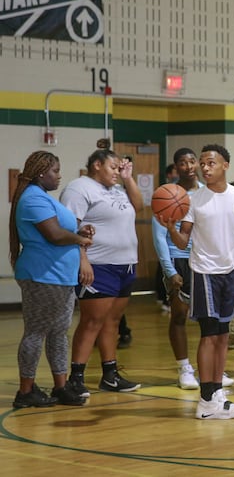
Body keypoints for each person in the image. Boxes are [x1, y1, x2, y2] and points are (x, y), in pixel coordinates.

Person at [161, 144, 234, 420]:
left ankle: (217, 392)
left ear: (225, 166)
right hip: (204, 272)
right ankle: (205, 401)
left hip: (229, 271)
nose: (204, 168)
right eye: (202, 163)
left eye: (210, 163)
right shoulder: (193, 200)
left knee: (221, 336)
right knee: (208, 335)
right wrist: (170, 227)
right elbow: (183, 241)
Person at [9, 151, 92, 408]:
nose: (59, 176)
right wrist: (80, 239)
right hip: (42, 275)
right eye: (56, 171)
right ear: (42, 172)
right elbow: (54, 235)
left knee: (58, 332)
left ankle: (60, 387)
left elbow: (61, 231)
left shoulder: (42, 197)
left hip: (59, 275)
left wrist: (78, 232)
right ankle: (25, 391)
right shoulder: (33, 198)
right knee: (36, 332)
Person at [60, 149, 142, 397]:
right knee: (92, 321)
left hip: (125, 264)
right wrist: (82, 260)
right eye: (114, 167)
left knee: (113, 322)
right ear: (97, 165)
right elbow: (69, 227)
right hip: (98, 265)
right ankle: (76, 378)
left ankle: (110, 375)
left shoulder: (117, 189)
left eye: (120, 168)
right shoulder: (79, 188)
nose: (118, 172)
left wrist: (128, 178)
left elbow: (138, 206)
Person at [152, 148, 203, 390]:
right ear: (176, 167)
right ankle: (184, 368)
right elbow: (159, 236)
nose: (189, 166)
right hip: (178, 258)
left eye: (192, 161)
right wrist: (169, 270)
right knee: (180, 316)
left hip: (204, 260)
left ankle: (210, 369)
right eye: (183, 162)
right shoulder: (166, 194)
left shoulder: (207, 193)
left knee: (209, 319)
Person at [155, 163, 180, 313]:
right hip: (173, 253)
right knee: (162, 268)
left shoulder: (201, 191)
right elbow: (159, 236)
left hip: (194, 256)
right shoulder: (164, 194)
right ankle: (163, 297)